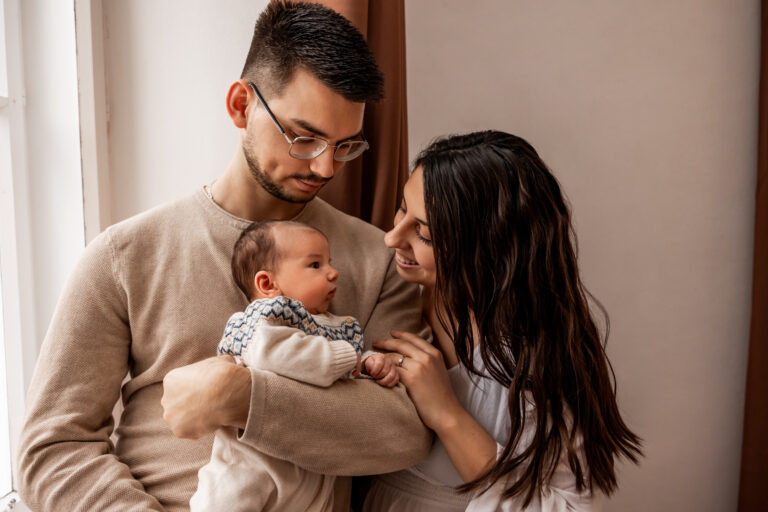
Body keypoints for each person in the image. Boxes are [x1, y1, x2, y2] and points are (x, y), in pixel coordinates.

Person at [17, 3, 431, 511]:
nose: (325, 166)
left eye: (345, 146)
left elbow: (406, 431)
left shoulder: (378, 259)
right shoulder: (123, 257)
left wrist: (245, 400)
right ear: (240, 106)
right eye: (304, 137)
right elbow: (53, 449)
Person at [362, 130, 643, 511]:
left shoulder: (531, 360)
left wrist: (447, 415)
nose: (392, 238)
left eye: (424, 234)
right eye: (401, 208)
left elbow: (564, 505)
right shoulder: (383, 291)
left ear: (485, 247)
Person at [191, 220, 398, 511]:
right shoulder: (266, 319)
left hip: (310, 465)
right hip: (254, 462)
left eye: (329, 262)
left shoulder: (331, 326)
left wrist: (368, 362)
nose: (333, 272)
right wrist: (347, 358)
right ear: (267, 283)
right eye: (315, 265)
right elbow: (275, 355)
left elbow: (344, 370)